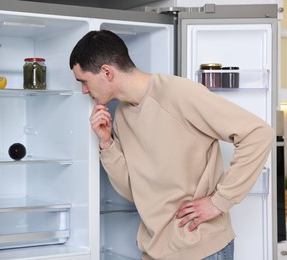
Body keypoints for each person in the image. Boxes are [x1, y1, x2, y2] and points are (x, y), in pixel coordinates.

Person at [69, 30, 274, 260]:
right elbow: (133, 189)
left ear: (106, 72)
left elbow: (258, 134)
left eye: (84, 81)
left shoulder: (177, 93)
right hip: (157, 251)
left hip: (201, 250)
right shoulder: (122, 117)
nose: (84, 91)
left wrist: (219, 202)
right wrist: (107, 144)